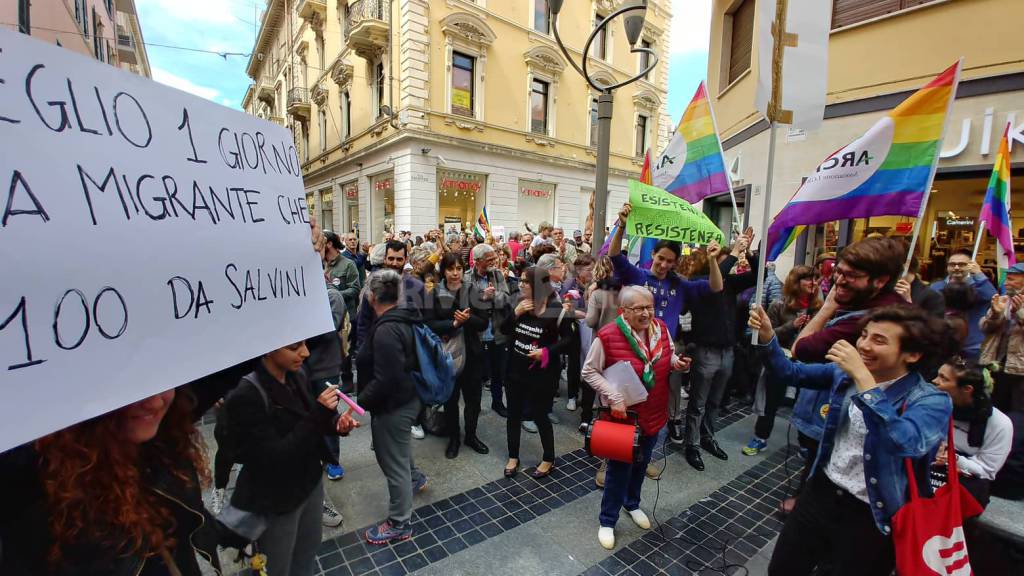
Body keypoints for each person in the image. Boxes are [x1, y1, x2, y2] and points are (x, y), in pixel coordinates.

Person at [749, 305, 952, 576]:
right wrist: (767, 336)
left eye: (879, 340)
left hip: (871, 514)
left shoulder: (930, 400)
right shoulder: (845, 374)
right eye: (864, 335)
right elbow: (790, 372)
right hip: (820, 492)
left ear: (912, 354)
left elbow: (902, 443)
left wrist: (864, 379)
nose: (864, 345)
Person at [224, 340, 355, 576]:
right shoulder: (247, 394)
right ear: (269, 349)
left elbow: (314, 420)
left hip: (310, 484)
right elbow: (275, 457)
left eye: (304, 344)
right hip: (278, 499)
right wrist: (321, 412)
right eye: (294, 347)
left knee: (307, 553)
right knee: (277, 565)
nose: (304, 352)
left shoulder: (298, 373)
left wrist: (338, 424)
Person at [582, 287, 691, 549]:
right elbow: (589, 372)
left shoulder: (661, 328)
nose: (646, 313)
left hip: (654, 413)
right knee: (618, 471)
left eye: (649, 307)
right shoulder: (607, 336)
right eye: (639, 309)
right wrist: (613, 395)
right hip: (624, 418)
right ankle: (608, 520)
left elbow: (669, 353)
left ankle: (632, 504)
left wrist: (676, 363)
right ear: (623, 312)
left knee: (642, 465)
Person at [358, 270, 430, 544]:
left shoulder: (387, 329)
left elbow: (386, 379)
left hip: (394, 406)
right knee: (400, 453)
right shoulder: (403, 318)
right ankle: (415, 478)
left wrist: (357, 405)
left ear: (372, 296)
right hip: (408, 398)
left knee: (393, 463)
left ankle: (400, 523)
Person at [683, 231, 758, 471]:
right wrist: (734, 253)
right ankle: (691, 445)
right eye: (724, 259)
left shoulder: (731, 285)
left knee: (715, 402)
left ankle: (707, 438)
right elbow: (720, 275)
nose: (731, 264)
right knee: (698, 403)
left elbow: (758, 275)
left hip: (727, 351)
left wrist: (750, 251)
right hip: (706, 351)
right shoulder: (699, 284)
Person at [502, 266, 575, 480]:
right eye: (521, 281)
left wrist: (545, 351)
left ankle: (548, 458)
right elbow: (504, 330)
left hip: (542, 374)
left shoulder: (557, 308)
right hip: (515, 370)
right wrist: (516, 313)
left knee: (540, 415)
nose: (521, 284)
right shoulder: (519, 303)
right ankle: (513, 457)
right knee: (513, 415)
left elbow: (569, 341)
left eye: (526, 281)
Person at [743, 265, 823, 456]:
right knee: (771, 401)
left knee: (805, 403)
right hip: (781, 359)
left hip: (807, 362)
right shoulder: (779, 305)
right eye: (808, 279)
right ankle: (760, 437)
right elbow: (767, 335)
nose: (813, 283)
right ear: (796, 283)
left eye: (816, 279)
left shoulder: (820, 308)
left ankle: (805, 442)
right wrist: (790, 325)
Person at [425, 253, 490, 458]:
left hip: (472, 354)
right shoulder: (435, 293)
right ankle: (454, 438)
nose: (455, 273)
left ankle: (471, 435)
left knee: (473, 399)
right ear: (443, 271)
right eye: (450, 269)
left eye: (459, 269)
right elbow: (429, 324)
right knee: (450, 400)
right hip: (447, 356)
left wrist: (467, 320)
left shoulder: (473, 291)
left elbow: (484, 323)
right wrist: (452, 324)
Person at [931, 359, 1013, 507]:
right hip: (928, 466)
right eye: (938, 375)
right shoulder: (932, 405)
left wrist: (954, 459)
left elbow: (987, 471)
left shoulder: (1000, 424)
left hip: (965, 478)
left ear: (967, 389)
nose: (935, 381)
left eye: (944, 378)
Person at [466, 243, 513, 418]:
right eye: (490, 258)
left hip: (497, 334)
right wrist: (482, 297)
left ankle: (498, 402)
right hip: (477, 335)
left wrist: (495, 296)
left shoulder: (498, 275)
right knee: (476, 375)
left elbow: (507, 299)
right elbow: (465, 303)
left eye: (495, 257)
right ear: (478, 261)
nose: (495, 261)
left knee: (498, 372)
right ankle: (474, 406)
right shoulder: (466, 278)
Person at [929, 248, 997, 359]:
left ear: (971, 266)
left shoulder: (980, 286)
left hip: (973, 346)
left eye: (961, 264)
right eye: (952, 264)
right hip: (943, 344)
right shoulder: (936, 286)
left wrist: (979, 274)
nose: (956, 268)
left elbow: (993, 298)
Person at [980, 262, 1024, 413]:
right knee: (994, 407)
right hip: (997, 363)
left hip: (1020, 370)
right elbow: (985, 328)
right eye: (1007, 279)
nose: (1007, 283)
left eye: (1012, 279)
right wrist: (995, 314)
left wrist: (1020, 314)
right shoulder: (1003, 300)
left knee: (1017, 411)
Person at [893, 253, 944, 318]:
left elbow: (934, 326)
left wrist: (908, 303)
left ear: (904, 267)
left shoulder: (933, 297)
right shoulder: (888, 289)